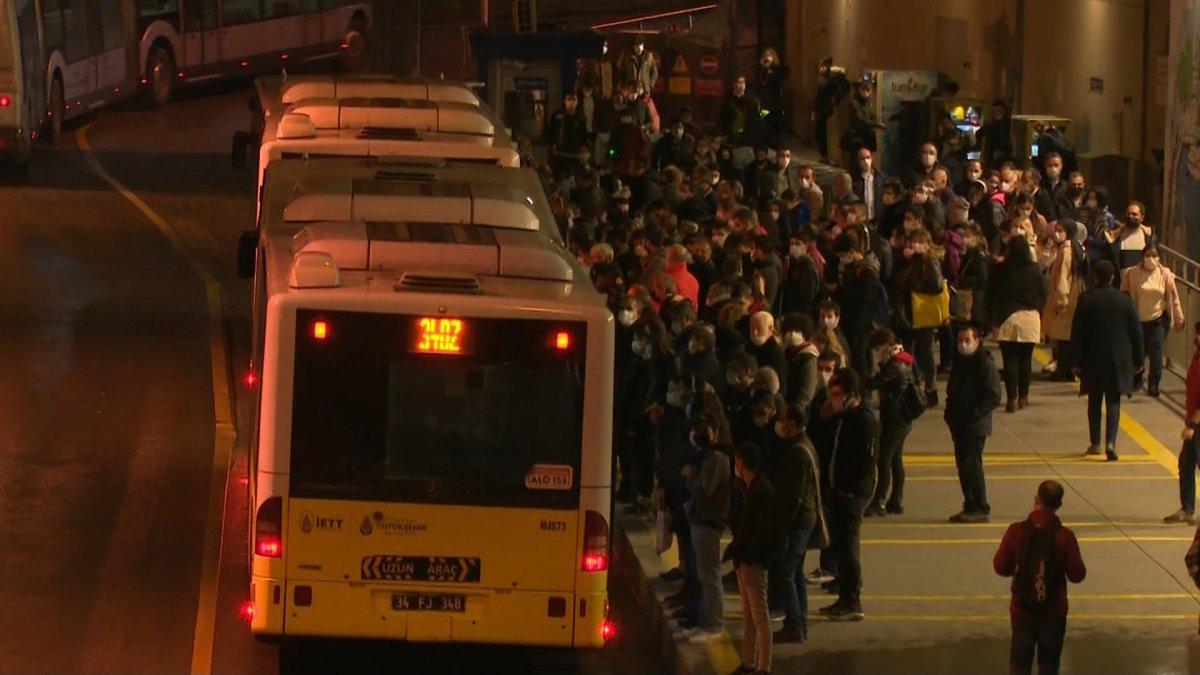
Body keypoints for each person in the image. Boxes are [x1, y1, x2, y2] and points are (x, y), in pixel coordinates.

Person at [993, 480, 1087, 675]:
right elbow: (1077, 575)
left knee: (1020, 663)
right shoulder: (1065, 536)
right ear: (1059, 505)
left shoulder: (1016, 531)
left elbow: (1001, 566)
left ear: (1036, 499)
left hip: (1022, 609)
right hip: (1053, 611)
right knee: (1049, 665)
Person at [817, 367, 878, 621]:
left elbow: (864, 462)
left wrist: (849, 491)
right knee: (841, 546)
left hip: (853, 493)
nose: (834, 398)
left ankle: (852, 600)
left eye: (838, 394)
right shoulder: (842, 417)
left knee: (848, 546)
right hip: (840, 490)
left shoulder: (863, 420)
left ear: (851, 394)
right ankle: (844, 596)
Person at [1071, 261, 1144, 461]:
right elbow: (1136, 333)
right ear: (1113, 278)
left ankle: (1095, 443)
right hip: (1118, 357)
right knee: (1113, 400)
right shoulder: (1124, 300)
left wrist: (1076, 360)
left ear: (1094, 277)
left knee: (1094, 400)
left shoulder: (1086, 299)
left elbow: (1077, 332)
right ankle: (1111, 442)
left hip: (1093, 357)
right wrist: (1138, 360)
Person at [767, 403, 825, 644]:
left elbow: (794, 494)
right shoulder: (802, 445)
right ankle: (799, 623)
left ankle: (794, 625)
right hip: (803, 518)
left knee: (787, 573)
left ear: (791, 424)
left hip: (798, 521)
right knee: (796, 572)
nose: (778, 422)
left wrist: (782, 523)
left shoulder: (797, 452)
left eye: (781, 419)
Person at [678, 413, 731, 644]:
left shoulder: (716, 460)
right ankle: (705, 621)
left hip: (708, 522)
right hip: (701, 520)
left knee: (710, 575)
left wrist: (691, 476)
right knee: (705, 574)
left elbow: (704, 490)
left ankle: (714, 625)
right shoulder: (708, 459)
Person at [726, 442, 779, 672]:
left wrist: (746, 552)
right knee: (748, 616)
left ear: (742, 463)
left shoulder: (761, 492)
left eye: (737, 461)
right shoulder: (748, 489)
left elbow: (760, 532)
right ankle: (748, 662)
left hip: (754, 562)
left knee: (760, 616)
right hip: (744, 560)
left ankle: (763, 666)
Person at [944, 323, 1002, 522]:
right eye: (960, 340)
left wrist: (974, 414)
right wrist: (949, 413)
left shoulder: (985, 364)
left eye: (967, 340)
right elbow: (952, 391)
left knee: (972, 465)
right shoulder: (959, 362)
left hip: (975, 425)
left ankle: (979, 505)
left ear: (977, 341)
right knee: (963, 466)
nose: (963, 344)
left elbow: (993, 396)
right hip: (958, 423)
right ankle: (969, 503)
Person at [987, 236, 1048, 412]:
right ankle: (1024, 396)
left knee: (1010, 360)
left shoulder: (1001, 270)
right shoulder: (1034, 270)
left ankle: (1011, 398)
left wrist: (994, 319)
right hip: (1030, 318)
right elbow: (1044, 293)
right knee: (1026, 359)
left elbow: (992, 295)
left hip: (1007, 318)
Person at [1120, 246, 1185, 397]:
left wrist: (1179, 318)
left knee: (1156, 352)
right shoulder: (1132, 273)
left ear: (1159, 258)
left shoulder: (1165, 275)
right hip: (1137, 319)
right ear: (1142, 257)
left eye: (1154, 255)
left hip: (1158, 319)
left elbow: (1174, 299)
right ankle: (1136, 377)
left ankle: (1154, 383)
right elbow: (1124, 294)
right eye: (1148, 255)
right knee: (1138, 351)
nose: (1151, 258)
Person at [864, 328, 916, 517]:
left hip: (895, 419)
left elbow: (874, 383)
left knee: (884, 459)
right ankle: (896, 499)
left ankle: (879, 501)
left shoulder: (894, 366)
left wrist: (860, 378)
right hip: (903, 418)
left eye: (878, 347)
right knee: (895, 459)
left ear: (886, 345)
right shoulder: (904, 359)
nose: (877, 351)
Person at [1041, 220, 1087, 383]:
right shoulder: (1078, 247)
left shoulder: (1066, 251)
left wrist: (1060, 300)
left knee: (1062, 338)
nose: (1056, 233)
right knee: (1067, 337)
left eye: (1061, 230)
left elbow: (1063, 278)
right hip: (1075, 295)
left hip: (1066, 298)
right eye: (1056, 230)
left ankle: (1063, 371)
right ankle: (1067, 370)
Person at [1165, 322, 1200, 523]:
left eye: (1198, 335)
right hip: (1193, 422)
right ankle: (1187, 508)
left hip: (1197, 425)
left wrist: (1192, 426)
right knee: (1186, 464)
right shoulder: (1197, 357)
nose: (1195, 338)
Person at [811, 57, 849, 162]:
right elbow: (818, 96)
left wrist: (834, 99)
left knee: (823, 133)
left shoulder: (832, 79)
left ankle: (827, 156)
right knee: (819, 133)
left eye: (822, 66)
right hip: (820, 108)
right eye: (820, 66)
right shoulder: (822, 79)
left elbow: (844, 85)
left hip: (826, 109)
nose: (820, 68)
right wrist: (814, 109)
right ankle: (824, 155)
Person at [755, 47, 790, 145]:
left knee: (776, 125)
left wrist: (771, 70)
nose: (767, 58)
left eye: (769, 55)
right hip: (764, 103)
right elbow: (759, 85)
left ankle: (776, 143)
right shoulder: (761, 71)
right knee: (764, 124)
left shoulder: (778, 70)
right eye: (765, 56)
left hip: (776, 104)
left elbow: (778, 81)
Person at [720, 76, 762, 147]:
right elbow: (723, 118)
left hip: (749, 135)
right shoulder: (728, 100)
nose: (740, 84)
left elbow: (757, 117)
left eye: (743, 82)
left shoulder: (752, 99)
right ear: (734, 84)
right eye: (738, 82)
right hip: (732, 135)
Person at [851, 147, 884, 221]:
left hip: (878, 219)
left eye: (868, 157)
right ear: (858, 161)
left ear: (872, 158)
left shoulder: (880, 178)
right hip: (861, 219)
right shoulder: (855, 180)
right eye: (862, 158)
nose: (866, 161)